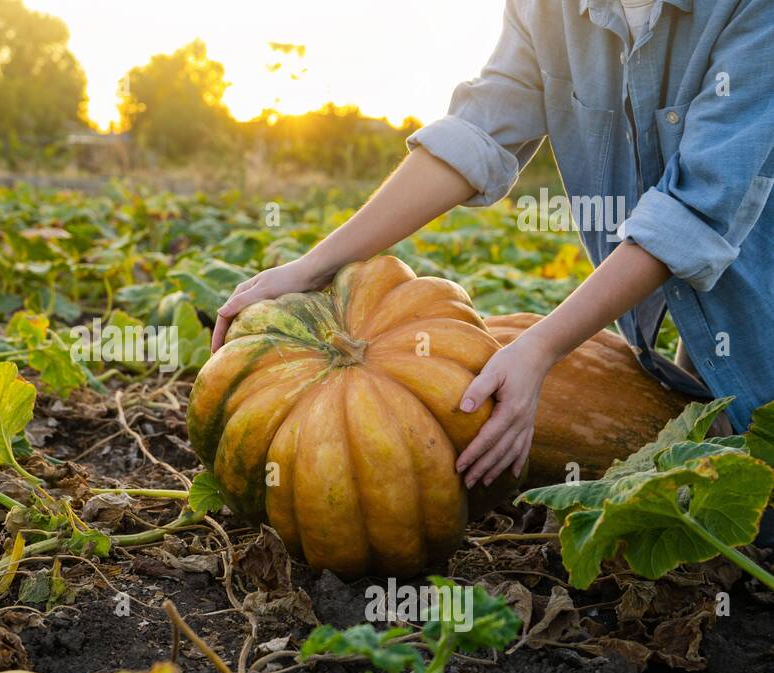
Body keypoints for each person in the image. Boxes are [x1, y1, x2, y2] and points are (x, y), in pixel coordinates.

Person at [211, 0, 774, 545]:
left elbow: (693, 209)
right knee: (731, 497)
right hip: (709, 342)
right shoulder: (545, 9)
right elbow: (477, 134)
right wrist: (314, 265)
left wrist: (538, 349)